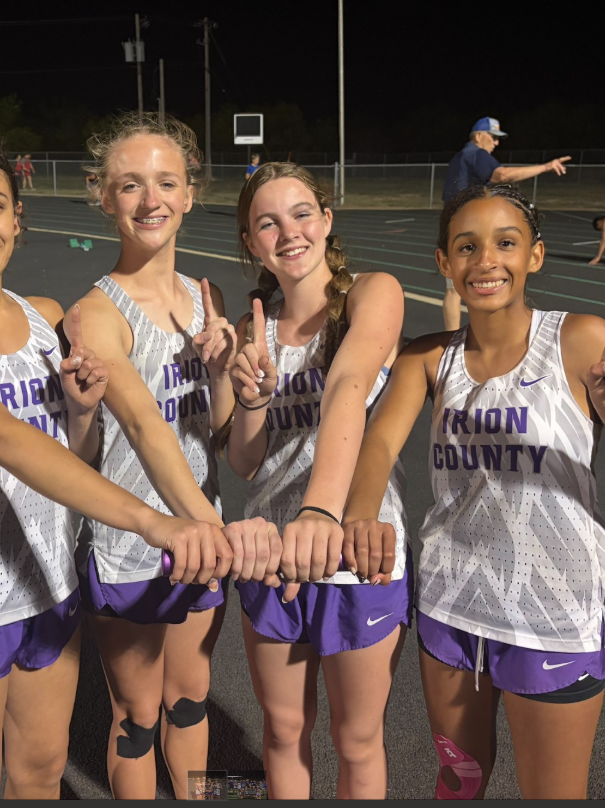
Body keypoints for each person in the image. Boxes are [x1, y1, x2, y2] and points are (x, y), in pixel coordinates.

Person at [0, 130, 236, 800]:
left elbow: (71, 457)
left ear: (17, 216)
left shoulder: (44, 320)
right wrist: (156, 524)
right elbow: (0, 436)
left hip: (46, 587)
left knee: (40, 775)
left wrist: (79, 411)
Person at [342, 183, 605, 799]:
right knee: (458, 782)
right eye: (466, 247)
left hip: (551, 619)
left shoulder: (580, 341)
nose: (485, 261)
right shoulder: (428, 358)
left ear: (534, 255)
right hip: (452, 609)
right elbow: (375, 446)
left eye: (505, 243)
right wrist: (362, 515)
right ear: (444, 263)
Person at [71, 112, 281, 800]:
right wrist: (216, 533)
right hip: (134, 540)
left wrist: (225, 378)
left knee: (189, 699)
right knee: (135, 715)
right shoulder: (94, 314)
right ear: (105, 199)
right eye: (129, 185)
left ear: (191, 193)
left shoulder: (207, 298)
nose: (150, 199)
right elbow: (143, 430)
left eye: (166, 182)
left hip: (202, 530)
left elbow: (212, 433)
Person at [224, 161, 411, 799]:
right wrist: (250, 398)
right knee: (282, 729)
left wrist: (323, 512)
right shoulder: (256, 328)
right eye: (267, 222)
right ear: (251, 242)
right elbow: (246, 462)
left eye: (302, 213)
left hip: (351, 545)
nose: (289, 232)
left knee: (357, 739)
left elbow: (348, 388)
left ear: (327, 221)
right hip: (272, 552)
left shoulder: (371, 293)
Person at [440, 118, 571, 331]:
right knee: (501, 278)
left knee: (454, 289)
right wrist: (546, 167)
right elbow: (502, 175)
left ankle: (451, 338)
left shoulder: (459, 157)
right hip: (474, 224)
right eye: (493, 137)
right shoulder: (476, 153)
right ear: (479, 136)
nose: (496, 143)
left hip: (454, 226)